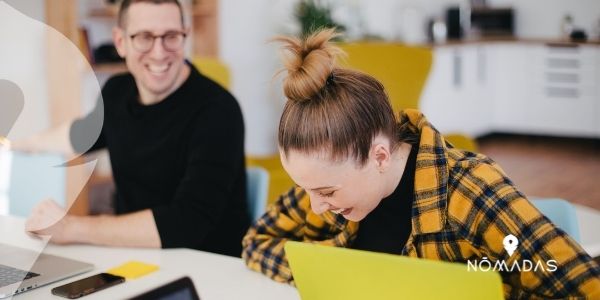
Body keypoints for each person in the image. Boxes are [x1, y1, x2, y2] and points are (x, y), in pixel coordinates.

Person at [241, 28, 600, 298]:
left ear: (379, 155)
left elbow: (582, 287)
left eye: (326, 192)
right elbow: (257, 242)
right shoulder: (329, 184)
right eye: (308, 190)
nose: (316, 207)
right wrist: (337, 269)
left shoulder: (470, 191)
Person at [11, 0, 249, 257]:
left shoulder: (218, 110)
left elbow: (187, 222)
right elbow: (81, 135)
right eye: (144, 37)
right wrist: (18, 144)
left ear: (185, 36)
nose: (159, 52)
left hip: (208, 267)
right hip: (133, 257)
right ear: (121, 42)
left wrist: (72, 227)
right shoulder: (116, 92)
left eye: (170, 36)